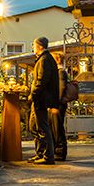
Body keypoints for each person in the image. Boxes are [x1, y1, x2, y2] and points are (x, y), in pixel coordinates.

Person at [28, 36, 59, 164]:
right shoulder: (43, 59)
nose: (32, 47)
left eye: (34, 45)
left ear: (40, 46)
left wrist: (33, 94)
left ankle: (48, 156)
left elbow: (41, 80)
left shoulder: (44, 60)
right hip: (40, 98)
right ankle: (40, 153)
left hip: (41, 99)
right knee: (34, 126)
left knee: (42, 127)